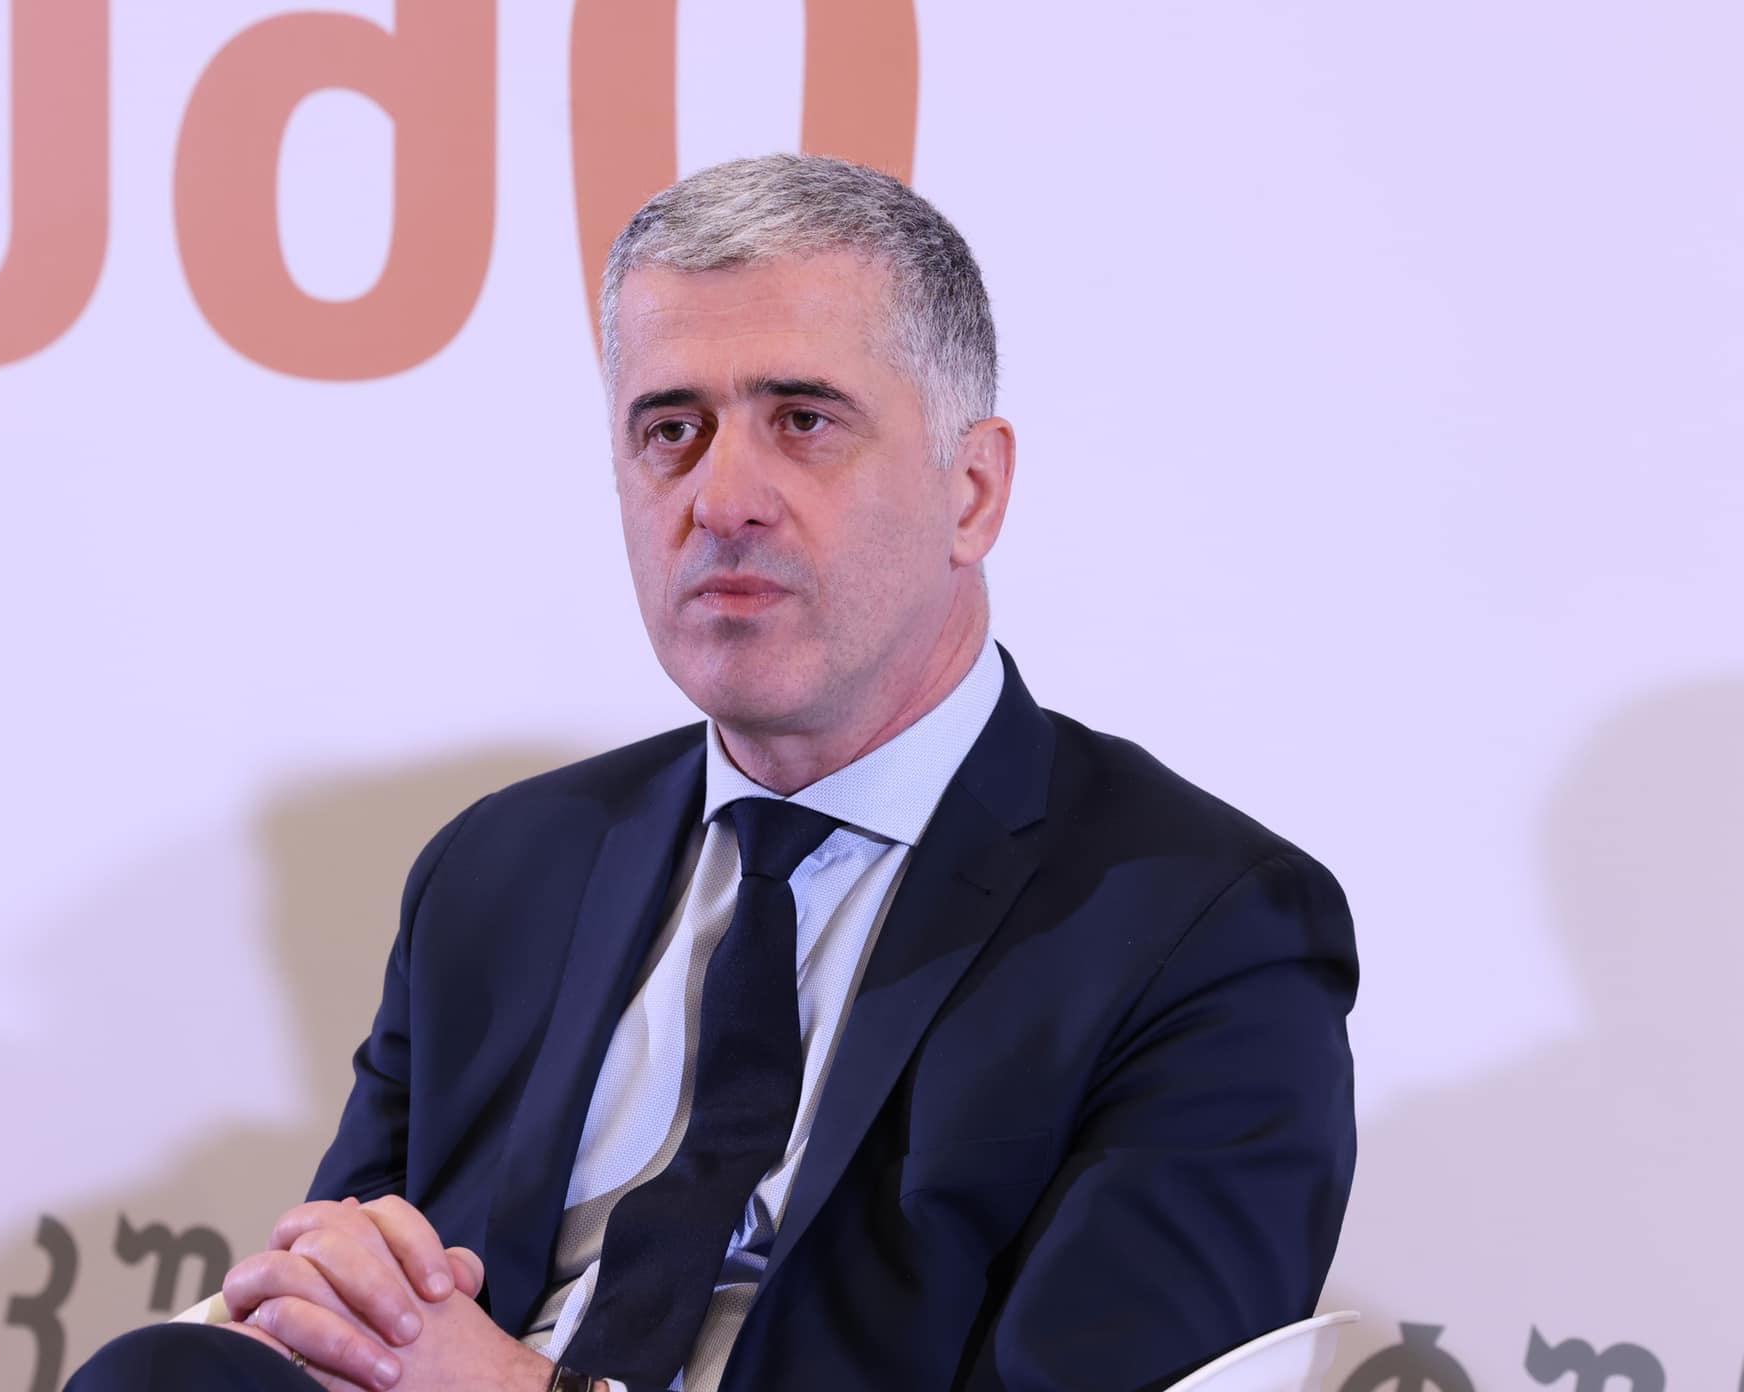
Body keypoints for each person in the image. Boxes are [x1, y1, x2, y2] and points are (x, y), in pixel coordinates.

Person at [69, 154, 1357, 1392]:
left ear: (972, 491)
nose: (723, 496)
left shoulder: (1205, 930)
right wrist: (336, 1306)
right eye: (671, 430)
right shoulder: (499, 873)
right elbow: (349, 1316)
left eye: (804, 421)